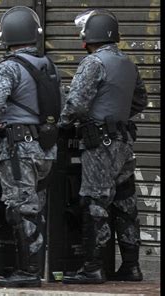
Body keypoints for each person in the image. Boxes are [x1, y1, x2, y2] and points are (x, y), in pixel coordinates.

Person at [59, 9, 148, 284]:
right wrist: (116, 116)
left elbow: (76, 104)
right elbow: (141, 100)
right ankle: (131, 266)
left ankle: (92, 267)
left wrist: (61, 125)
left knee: (95, 202)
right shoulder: (127, 63)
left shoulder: (94, 63)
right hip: (123, 143)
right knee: (125, 203)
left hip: (99, 144)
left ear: (90, 35)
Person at [0, 6, 62, 288]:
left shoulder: (9, 67)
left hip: (18, 151)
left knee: (19, 209)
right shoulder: (49, 65)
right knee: (34, 208)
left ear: (7, 37)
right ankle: (33, 267)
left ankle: (28, 271)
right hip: (45, 148)